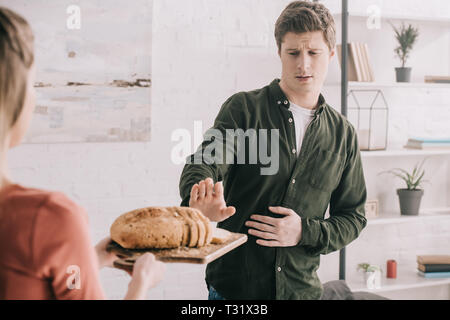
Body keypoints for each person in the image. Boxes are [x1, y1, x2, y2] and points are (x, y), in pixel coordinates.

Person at [179, 1, 367, 300]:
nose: (303, 64)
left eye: (313, 53)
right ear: (279, 52)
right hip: (235, 291)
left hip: (301, 291)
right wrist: (198, 197)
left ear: (331, 55)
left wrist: (304, 232)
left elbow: (353, 217)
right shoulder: (244, 109)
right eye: (293, 53)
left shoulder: (343, 134)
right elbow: (206, 161)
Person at [0, 6, 165, 300]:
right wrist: (141, 283)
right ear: (13, 94)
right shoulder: (49, 217)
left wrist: (87, 260)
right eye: (32, 82)